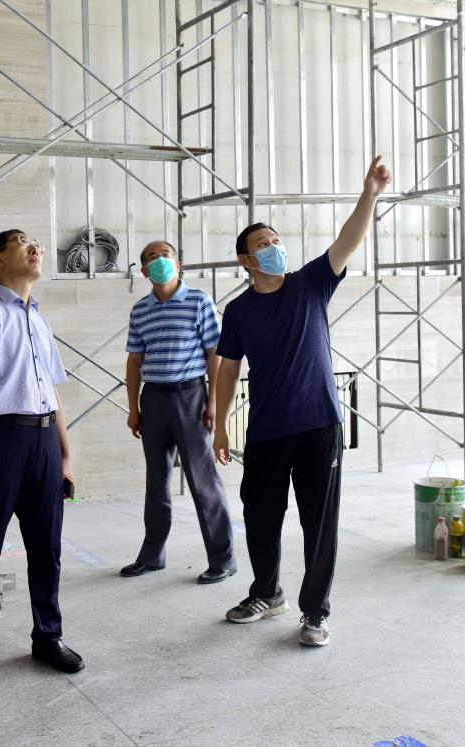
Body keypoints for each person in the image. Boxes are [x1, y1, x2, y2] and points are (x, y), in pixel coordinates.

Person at [213, 156, 391, 647]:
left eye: (275, 239)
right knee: (259, 516)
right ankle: (267, 593)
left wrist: (370, 195)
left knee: (319, 523)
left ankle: (315, 612)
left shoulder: (311, 283)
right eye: (261, 244)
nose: (273, 246)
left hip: (319, 425)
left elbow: (348, 240)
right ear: (246, 261)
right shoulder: (238, 311)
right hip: (267, 430)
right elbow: (227, 369)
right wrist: (220, 425)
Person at [0, 229, 84, 685]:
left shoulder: (39, 320)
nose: (36, 249)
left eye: (37, 244)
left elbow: (52, 392)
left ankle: (48, 636)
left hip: (44, 441)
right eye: (23, 242)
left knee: (47, 547)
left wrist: (65, 454)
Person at [119, 240, 236, 583]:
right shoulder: (141, 310)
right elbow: (134, 361)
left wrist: (212, 403)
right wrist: (133, 408)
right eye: (153, 257)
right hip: (153, 399)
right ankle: (152, 556)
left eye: (166, 255)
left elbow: (215, 354)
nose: (160, 260)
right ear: (144, 271)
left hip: (191, 397)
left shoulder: (199, 301)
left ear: (179, 264)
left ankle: (223, 559)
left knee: (203, 481)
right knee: (156, 482)